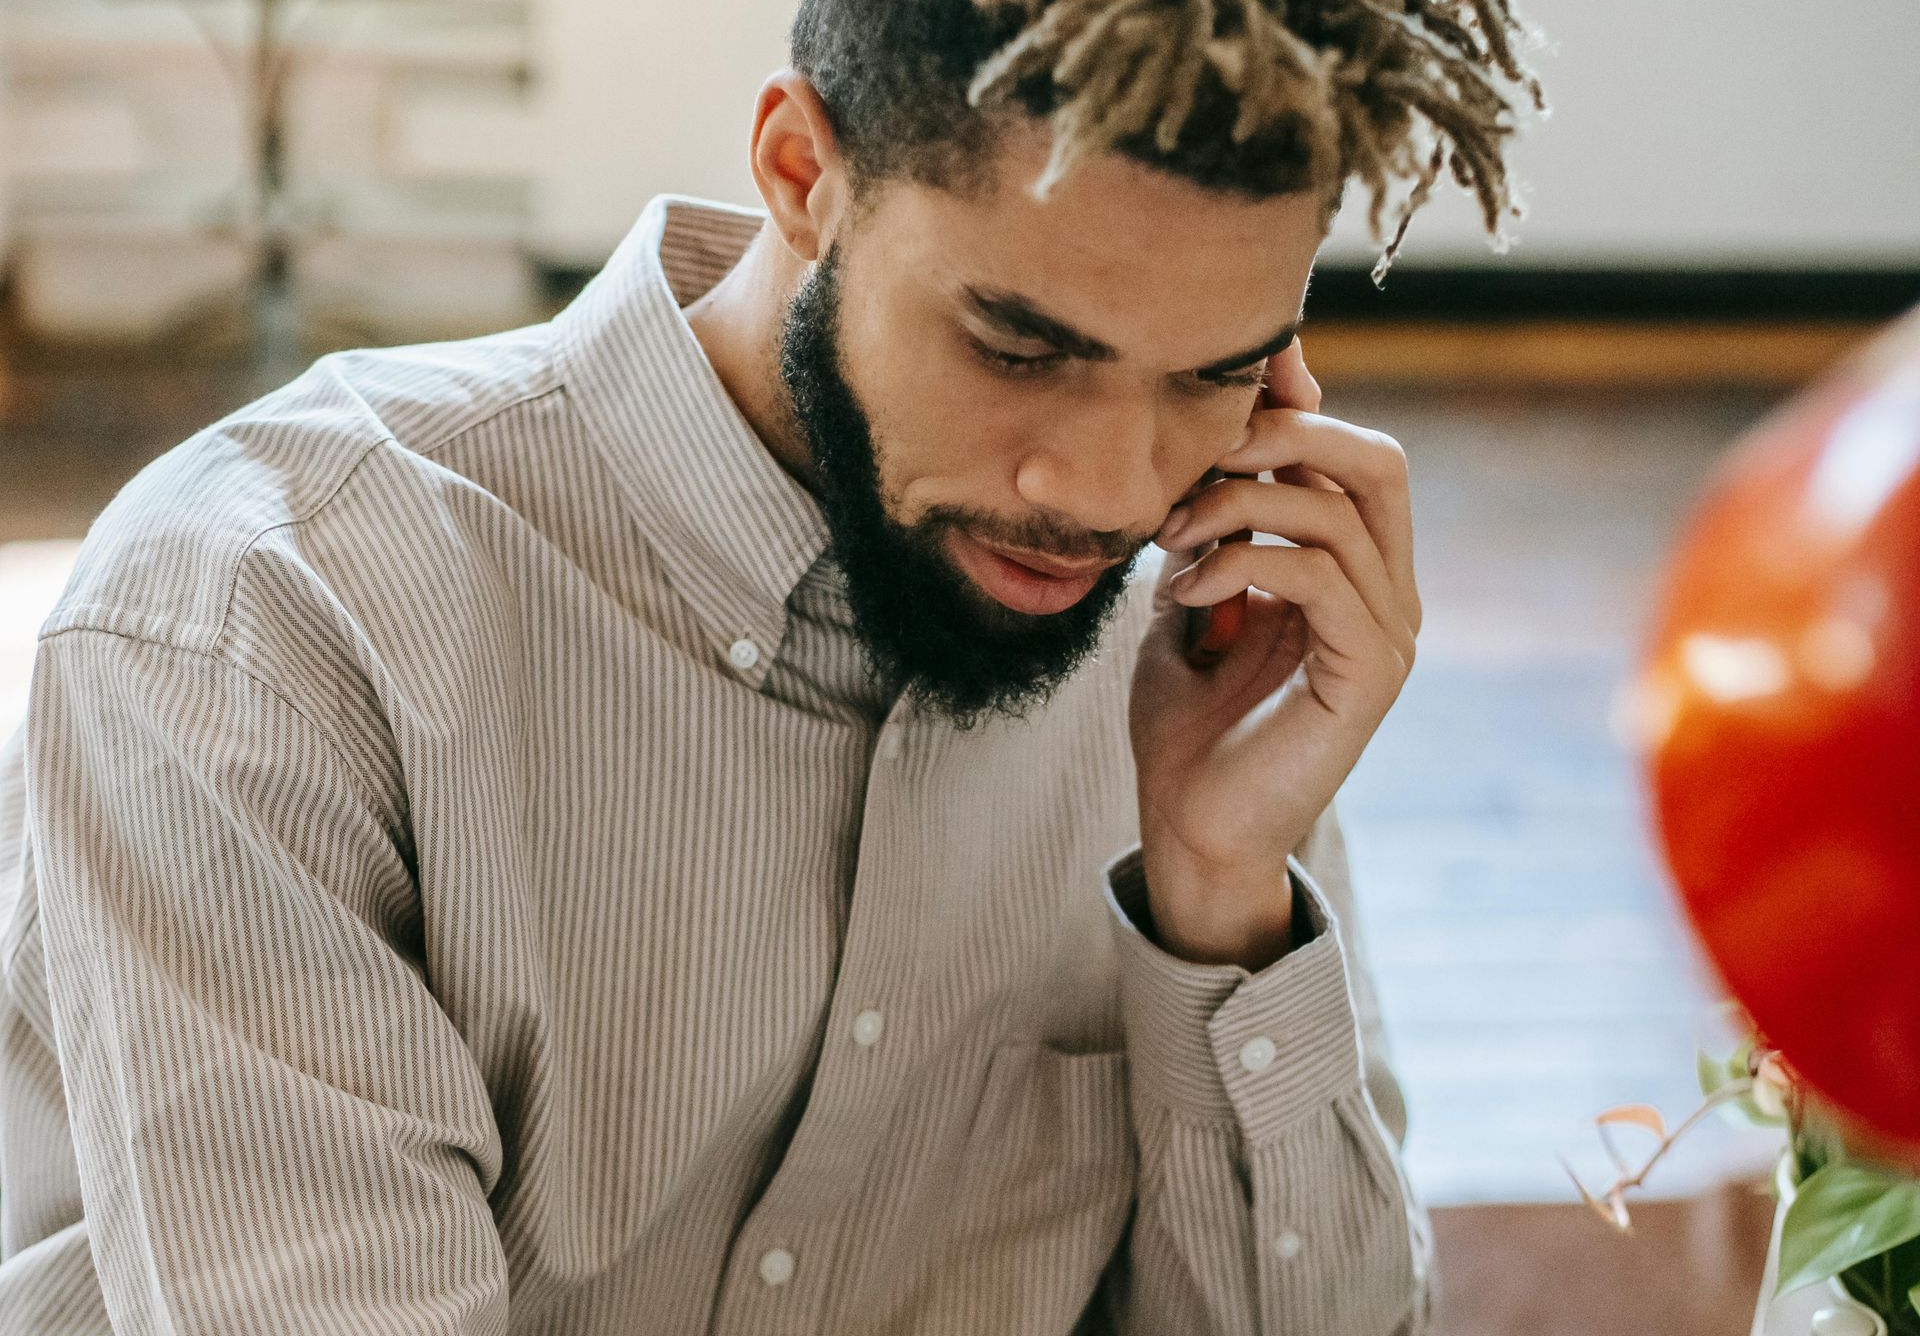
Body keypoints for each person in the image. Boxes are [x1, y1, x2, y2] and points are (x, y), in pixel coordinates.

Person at [0, 0, 1540, 1330]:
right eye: (1019, 347)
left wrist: (1219, 900)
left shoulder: (1186, 661)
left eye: (1212, 376)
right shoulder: (262, 619)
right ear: (804, 172)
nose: (1113, 492)